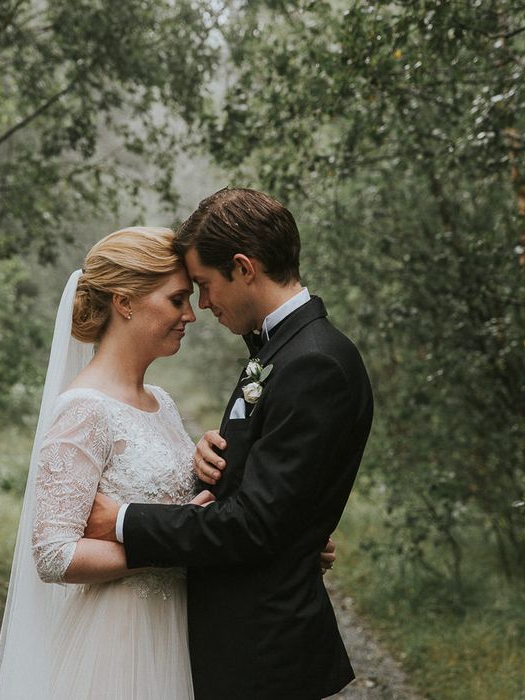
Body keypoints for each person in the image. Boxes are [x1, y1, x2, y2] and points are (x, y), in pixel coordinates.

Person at [0, 224, 335, 699]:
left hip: (180, 633)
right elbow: (54, 554)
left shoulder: (162, 402)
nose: (191, 315)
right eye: (176, 300)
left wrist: (285, 537)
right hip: (118, 644)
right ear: (125, 302)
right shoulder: (84, 409)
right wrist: (159, 546)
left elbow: (199, 515)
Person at [85, 188, 374, 700]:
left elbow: (255, 525)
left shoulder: (313, 362)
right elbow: (273, 495)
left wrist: (125, 520)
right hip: (244, 641)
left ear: (243, 267)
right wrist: (209, 462)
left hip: (262, 653)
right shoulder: (283, 348)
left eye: (203, 284)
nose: (202, 305)